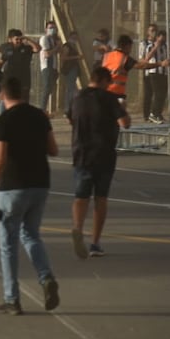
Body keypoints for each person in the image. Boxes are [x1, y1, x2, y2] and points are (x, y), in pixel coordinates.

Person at [0, 77, 60, 316]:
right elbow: (53, 149)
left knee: (8, 243)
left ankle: (12, 298)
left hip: (13, 186)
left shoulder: (4, 120)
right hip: (40, 183)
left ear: (3, 95)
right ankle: (46, 278)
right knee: (31, 234)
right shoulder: (39, 116)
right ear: (24, 93)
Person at [69, 65, 130, 258]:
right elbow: (124, 123)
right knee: (100, 198)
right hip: (103, 153)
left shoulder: (77, 97)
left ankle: (77, 227)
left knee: (81, 196)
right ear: (104, 81)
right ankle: (95, 243)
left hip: (81, 152)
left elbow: (71, 118)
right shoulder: (108, 98)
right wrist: (123, 110)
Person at [102, 34, 168, 101]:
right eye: (130, 48)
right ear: (127, 46)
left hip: (103, 91)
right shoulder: (124, 58)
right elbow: (143, 66)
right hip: (115, 93)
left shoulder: (107, 56)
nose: (130, 51)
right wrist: (161, 63)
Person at [0, 29, 39, 103]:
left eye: (20, 39)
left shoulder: (27, 48)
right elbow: (1, 62)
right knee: (7, 100)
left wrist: (28, 40)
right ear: (11, 39)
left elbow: (38, 49)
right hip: (9, 78)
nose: (19, 41)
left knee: (23, 101)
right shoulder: (7, 49)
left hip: (24, 79)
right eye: (16, 39)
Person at [139, 26, 169, 124]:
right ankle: (151, 114)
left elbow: (168, 57)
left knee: (163, 94)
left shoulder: (165, 46)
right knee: (154, 93)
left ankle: (158, 113)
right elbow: (145, 58)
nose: (162, 39)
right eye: (160, 37)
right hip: (153, 72)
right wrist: (156, 46)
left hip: (163, 72)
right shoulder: (149, 45)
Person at [38, 21, 61, 114]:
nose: (52, 30)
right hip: (47, 66)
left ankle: (48, 109)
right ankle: (42, 110)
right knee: (46, 88)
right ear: (46, 29)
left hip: (54, 66)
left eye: (54, 28)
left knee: (51, 88)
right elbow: (47, 54)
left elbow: (59, 51)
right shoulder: (44, 39)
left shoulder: (53, 40)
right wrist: (57, 47)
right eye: (50, 28)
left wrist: (59, 45)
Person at [59, 31, 83, 115]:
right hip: (69, 70)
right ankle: (67, 109)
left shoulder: (76, 46)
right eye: (74, 37)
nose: (75, 39)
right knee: (70, 89)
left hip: (74, 69)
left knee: (73, 89)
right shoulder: (67, 46)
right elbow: (63, 58)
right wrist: (76, 57)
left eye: (76, 37)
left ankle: (72, 108)